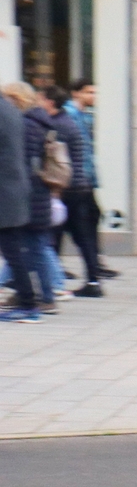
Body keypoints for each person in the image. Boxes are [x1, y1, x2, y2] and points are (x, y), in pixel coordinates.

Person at [51, 82, 107, 293]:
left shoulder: (79, 117)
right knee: (79, 233)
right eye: (89, 92)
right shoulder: (73, 116)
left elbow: (81, 154)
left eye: (95, 91)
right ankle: (90, 278)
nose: (94, 95)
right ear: (76, 93)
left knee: (61, 233)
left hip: (74, 184)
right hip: (78, 183)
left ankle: (59, 278)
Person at [0, 82, 39, 321]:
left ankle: (28, 304)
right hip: (13, 189)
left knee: (13, 251)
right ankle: (28, 302)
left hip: (5, 192)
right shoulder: (10, 110)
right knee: (14, 249)